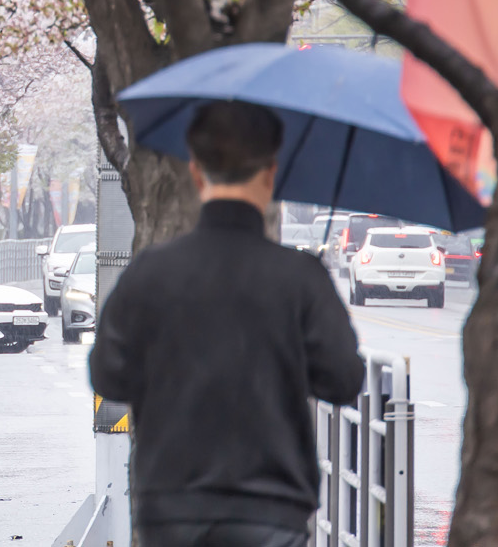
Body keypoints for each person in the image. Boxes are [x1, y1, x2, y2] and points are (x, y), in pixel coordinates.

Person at [91, 100, 365, 547]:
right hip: (272, 508)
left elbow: (108, 376)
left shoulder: (150, 272)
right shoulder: (300, 278)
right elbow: (343, 380)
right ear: (271, 172)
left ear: (197, 172)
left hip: (170, 506)